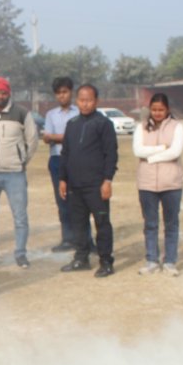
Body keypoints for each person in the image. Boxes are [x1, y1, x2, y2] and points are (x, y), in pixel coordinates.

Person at [59, 84, 118, 278]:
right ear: (77, 101)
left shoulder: (103, 124)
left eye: (89, 100)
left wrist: (107, 180)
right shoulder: (72, 124)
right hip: (75, 185)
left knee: (102, 223)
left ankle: (106, 262)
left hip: (96, 185)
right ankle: (81, 258)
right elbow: (65, 153)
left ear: (96, 101)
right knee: (78, 223)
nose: (85, 104)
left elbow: (111, 154)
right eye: (82, 100)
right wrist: (63, 179)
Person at [0, 76, 39, 268]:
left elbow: (32, 140)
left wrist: (21, 160)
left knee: (20, 217)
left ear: (9, 93)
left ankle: (21, 253)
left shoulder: (21, 113)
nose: (0, 96)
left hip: (15, 174)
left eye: (4, 93)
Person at [132, 93, 183, 276]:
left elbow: (175, 152)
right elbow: (138, 150)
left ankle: (170, 261)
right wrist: (162, 148)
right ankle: (152, 260)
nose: (157, 113)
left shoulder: (177, 127)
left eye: (161, 110)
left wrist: (151, 157)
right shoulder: (141, 127)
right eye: (154, 109)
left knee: (171, 224)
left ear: (167, 109)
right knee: (150, 224)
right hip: (147, 183)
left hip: (171, 183)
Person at [42, 76, 80, 253]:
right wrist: (68, 137)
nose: (62, 96)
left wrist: (57, 137)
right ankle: (67, 239)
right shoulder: (51, 114)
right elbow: (46, 138)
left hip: (78, 159)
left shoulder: (79, 112)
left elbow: (81, 137)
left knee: (81, 201)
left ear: (71, 92)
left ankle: (85, 239)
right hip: (57, 160)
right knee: (62, 200)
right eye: (58, 93)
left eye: (65, 92)